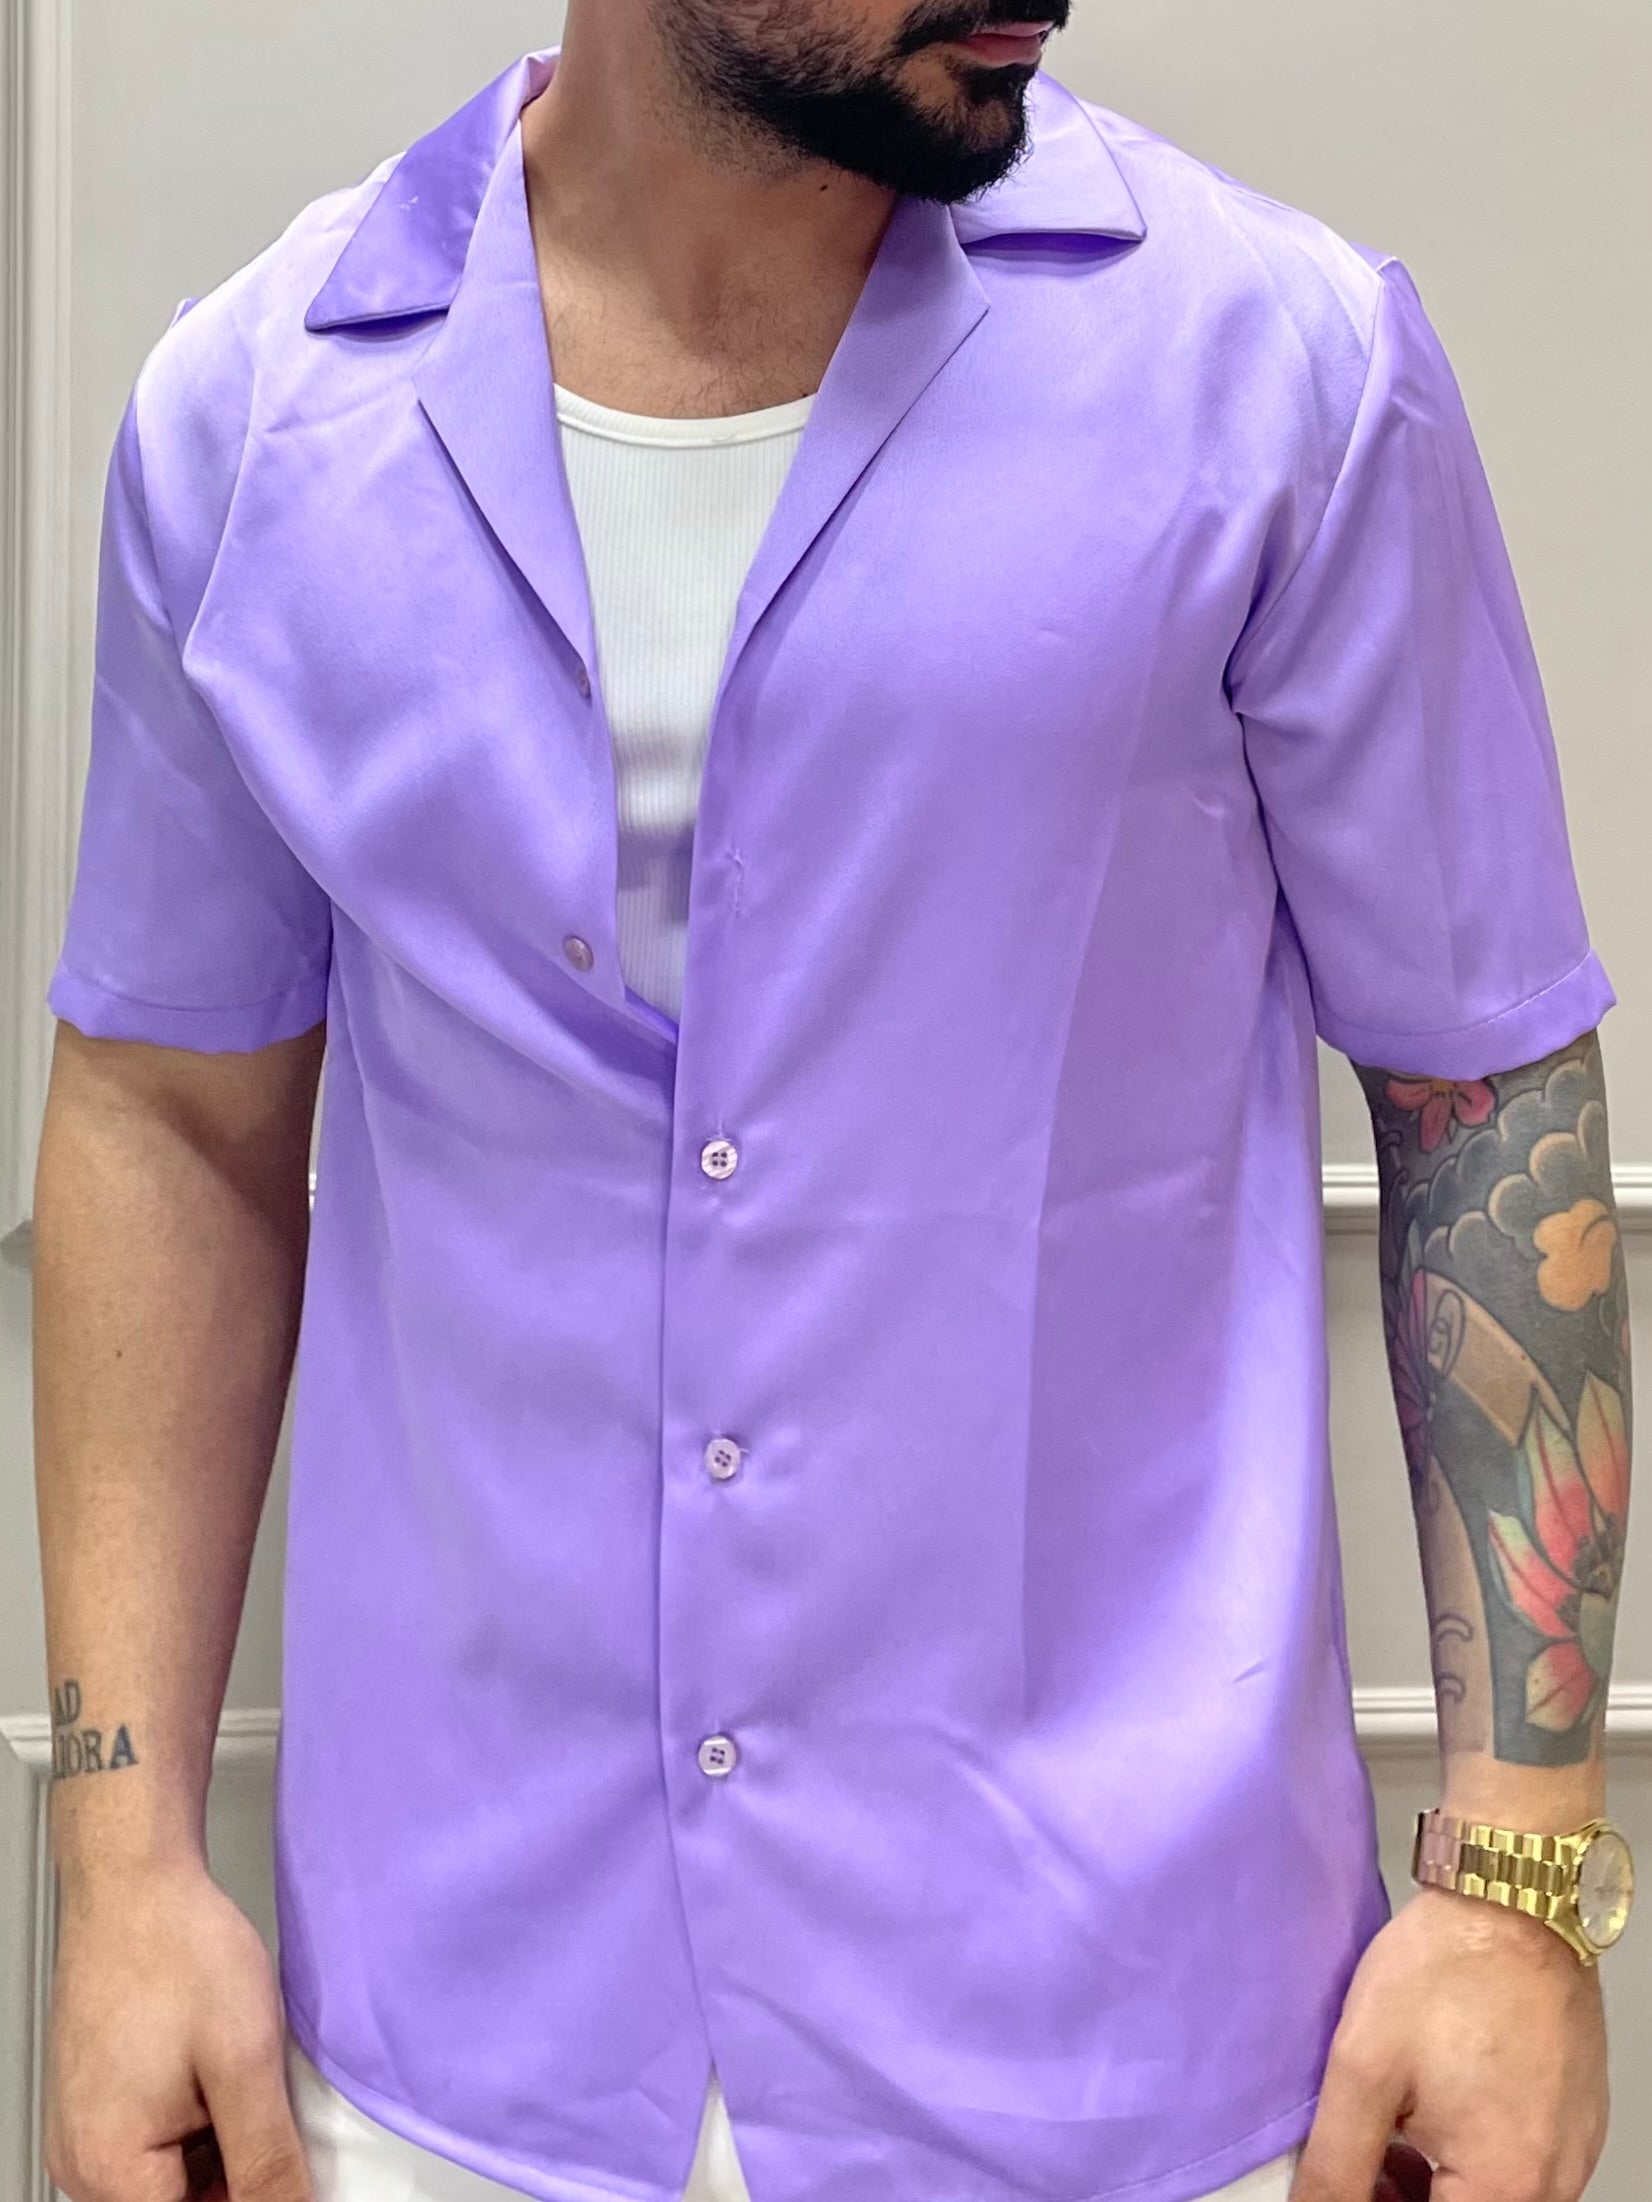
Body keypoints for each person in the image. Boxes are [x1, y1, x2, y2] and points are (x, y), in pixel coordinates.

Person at [30, 5, 1635, 2202]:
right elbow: (172, 1117)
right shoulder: (254, 421)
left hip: (1124, 2057)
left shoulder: (1282, 379)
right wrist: (122, 1862)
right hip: (441, 2067)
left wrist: (1521, 1882)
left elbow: (1480, 1092)